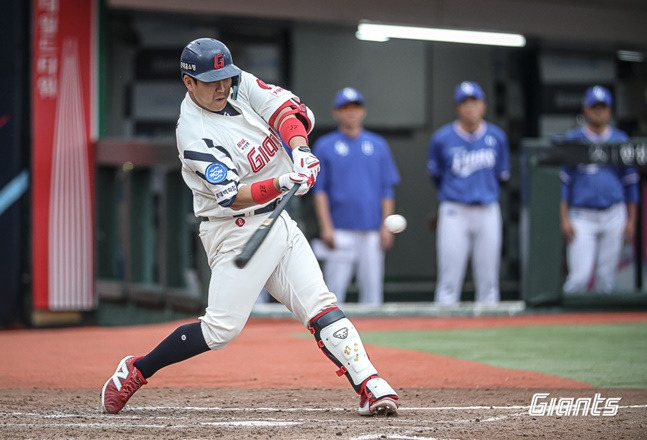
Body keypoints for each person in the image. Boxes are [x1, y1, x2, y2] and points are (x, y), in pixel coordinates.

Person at [100, 38, 399, 417]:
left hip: (279, 221)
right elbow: (231, 196)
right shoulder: (193, 133)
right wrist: (283, 181)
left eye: (224, 77)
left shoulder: (237, 82)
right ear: (188, 82)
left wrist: (301, 150)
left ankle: (370, 382)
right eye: (211, 81)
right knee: (219, 331)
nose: (222, 87)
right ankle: (137, 369)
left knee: (321, 305)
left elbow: (284, 112)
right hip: (234, 229)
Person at [311, 87, 401, 305]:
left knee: (372, 293)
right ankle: (333, 336)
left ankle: (374, 338)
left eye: (355, 107)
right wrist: (326, 227)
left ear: (363, 111)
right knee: (334, 292)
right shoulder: (325, 145)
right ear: (336, 113)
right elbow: (319, 190)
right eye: (345, 108)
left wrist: (385, 226)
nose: (351, 112)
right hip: (340, 229)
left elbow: (387, 189)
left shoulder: (378, 144)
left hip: (372, 230)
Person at [426, 81, 510, 305]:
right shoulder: (442, 138)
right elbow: (436, 176)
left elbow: (502, 176)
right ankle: (441, 332)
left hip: (487, 208)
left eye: (474, 102)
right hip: (455, 209)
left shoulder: (497, 137)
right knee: (449, 280)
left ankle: (491, 334)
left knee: (489, 280)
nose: (470, 107)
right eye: (464, 103)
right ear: (457, 107)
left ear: (483, 105)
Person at [560, 85, 639, 293]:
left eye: (603, 107)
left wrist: (631, 220)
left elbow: (631, 183)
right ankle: (568, 324)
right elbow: (563, 184)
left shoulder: (620, 140)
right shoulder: (573, 139)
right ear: (585, 109)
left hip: (614, 213)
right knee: (579, 277)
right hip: (581, 215)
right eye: (594, 106)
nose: (598, 111)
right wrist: (564, 218)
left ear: (610, 110)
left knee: (606, 281)